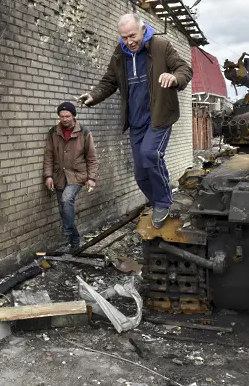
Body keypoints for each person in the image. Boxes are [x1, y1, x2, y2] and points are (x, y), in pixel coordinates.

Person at [79, 13, 192, 228]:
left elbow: (184, 69)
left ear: (143, 30)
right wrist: (94, 95)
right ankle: (157, 201)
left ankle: (163, 201)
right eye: (124, 37)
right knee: (140, 173)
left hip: (159, 116)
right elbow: (109, 81)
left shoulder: (160, 46)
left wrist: (174, 78)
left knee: (151, 154)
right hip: (136, 120)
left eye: (132, 35)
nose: (129, 42)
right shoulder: (120, 54)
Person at [44, 101, 99, 249]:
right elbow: (49, 155)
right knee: (63, 210)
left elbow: (92, 158)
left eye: (67, 116)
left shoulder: (84, 132)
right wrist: (48, 176)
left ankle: (67, 230)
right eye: (62, 116)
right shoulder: (53, 132)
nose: (65, 119)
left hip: (77, 175)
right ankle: (74, 242)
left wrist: (91, 178)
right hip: (59, 176)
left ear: (74, 115)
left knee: (67, 198)